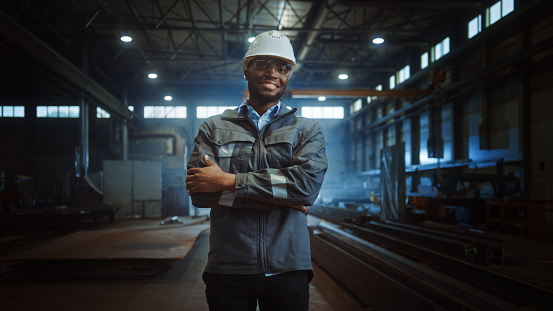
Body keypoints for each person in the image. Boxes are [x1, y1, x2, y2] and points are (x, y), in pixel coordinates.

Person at [185, 30, 328, 311]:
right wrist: (283, 197)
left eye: (282, 68)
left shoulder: (306, 129)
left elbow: (305, 189)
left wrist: (227, 181)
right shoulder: (214, 127)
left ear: (287, 77)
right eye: (262, 64)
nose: (272, 72)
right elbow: (200, 195)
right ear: (247, 70)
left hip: (288, 267)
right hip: (227, 267)